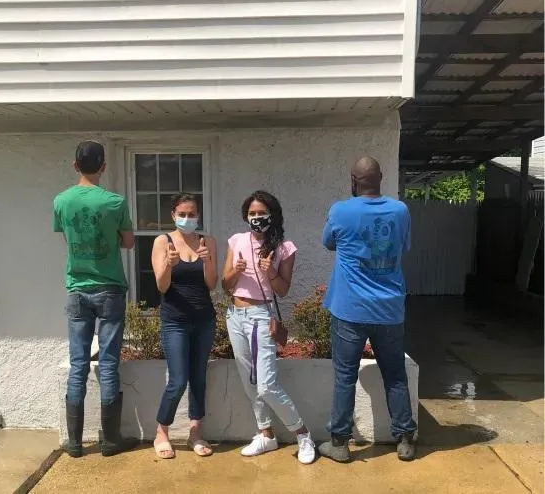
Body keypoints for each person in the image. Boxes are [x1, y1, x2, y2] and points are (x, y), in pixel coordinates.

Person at [319, 157, 417, 463]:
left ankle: (339, 443)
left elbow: (328, 242)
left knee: (344, 377)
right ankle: (404, 440)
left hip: (350, 309)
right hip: (389, 309)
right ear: (381, 178)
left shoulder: (340, 211)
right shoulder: (400, 211)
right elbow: (403, 246)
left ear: (353, 180)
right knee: (395, 375)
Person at [53, 141, 138, 458]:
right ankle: (111, 440)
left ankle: (75, 443)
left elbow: (68, 238)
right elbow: (128, 242)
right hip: (110, 288)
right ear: (103, 166)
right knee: (109, 363)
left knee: (78, 364)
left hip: (77, 288)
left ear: (75, 165)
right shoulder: (115, 202)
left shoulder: (61, 201)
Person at [221, 190, 316, 465]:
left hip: (260, 317)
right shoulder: (236, 241)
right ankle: (266, 434)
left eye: (261, 213)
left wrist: (270, 271)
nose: (256, 217)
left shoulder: (284, 248)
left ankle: (303, 434)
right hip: (235, 315)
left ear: (272, 215)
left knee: (266, 385)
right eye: (252, 213)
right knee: (249, 381)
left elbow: (283, 290)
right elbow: (225, 285)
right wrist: (236, 270)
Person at [151, 193, 218, 459]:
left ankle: (195, 432)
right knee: (178, 380)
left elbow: (212, 284)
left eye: (192, 214)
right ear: (173, 215)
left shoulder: (207, 242)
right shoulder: (163, 242)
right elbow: (161, 286)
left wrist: (207, 261)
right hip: (175, 321)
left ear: (198, 215)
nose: (187, 219)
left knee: (198, 377)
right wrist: (169, 264)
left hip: (204, 320)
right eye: (182, 214)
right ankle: (161, 431)